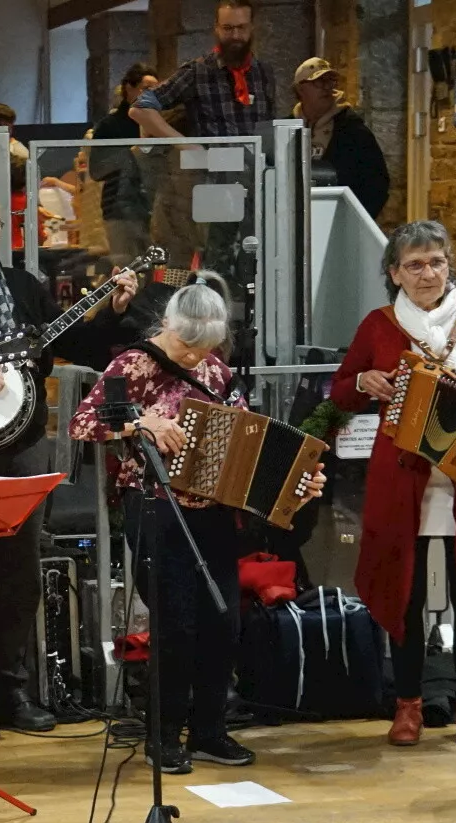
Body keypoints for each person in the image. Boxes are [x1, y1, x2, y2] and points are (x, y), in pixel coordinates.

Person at [69, 280, 324, 774]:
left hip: (212, 511)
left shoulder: (217, 370)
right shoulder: (132, 366)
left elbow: (249, 440)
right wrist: (140, 423)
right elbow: (84, 422)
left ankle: (210, 730)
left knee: (221, 620)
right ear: (167, 324)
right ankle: (162, 736)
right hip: (154, 506)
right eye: (187, 345)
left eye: (204, 347)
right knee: (175, 627)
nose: (193, 357)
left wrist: (292, 482)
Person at [0, 186, 137, 740]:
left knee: (21, 570)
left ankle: (10, 688)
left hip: (23, 445)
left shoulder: (23, 286)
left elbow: (80, 347)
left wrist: (112, 311)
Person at [329, 220, 456, 749]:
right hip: (403, 484)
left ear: (448, 264)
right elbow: (342, 391)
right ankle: (408, 703)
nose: (427, 273)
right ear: (393, 272)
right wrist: (363, 382)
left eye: (436, 261)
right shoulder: (379, 324)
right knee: (405, 594)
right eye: (414, 264)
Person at [130, 0, 276, 301]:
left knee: (256, 260)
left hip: (256, 183)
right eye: (227, 28)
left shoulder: (263, 72)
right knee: (214, 262)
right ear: (216, 30)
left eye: (241, 28)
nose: (234, 35)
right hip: (214, 183)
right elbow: (141, 107)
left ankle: (252, 334)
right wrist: (181, 141)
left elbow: (267, 128)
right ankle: (209, 330)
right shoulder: (199, 70)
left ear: (252, 29)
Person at [292, 57, 389, 219]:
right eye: (318, 81)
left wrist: (356, 220)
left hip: (340, 221)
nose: (326, 88)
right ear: (300, 89)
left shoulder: (352, 130)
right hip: (294, 222)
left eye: (330, 81)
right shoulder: (286, 130)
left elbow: (377, 183)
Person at [89, 63, 159, 268]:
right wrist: (130, 156)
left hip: (153, 206)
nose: (152, 94)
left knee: (157, 268)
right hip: (120, 210)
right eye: (146, 89)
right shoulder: (110, 125)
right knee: (127, 267)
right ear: (129, 88)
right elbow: (97, 169)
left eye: (156, 89)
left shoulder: (159, 122)